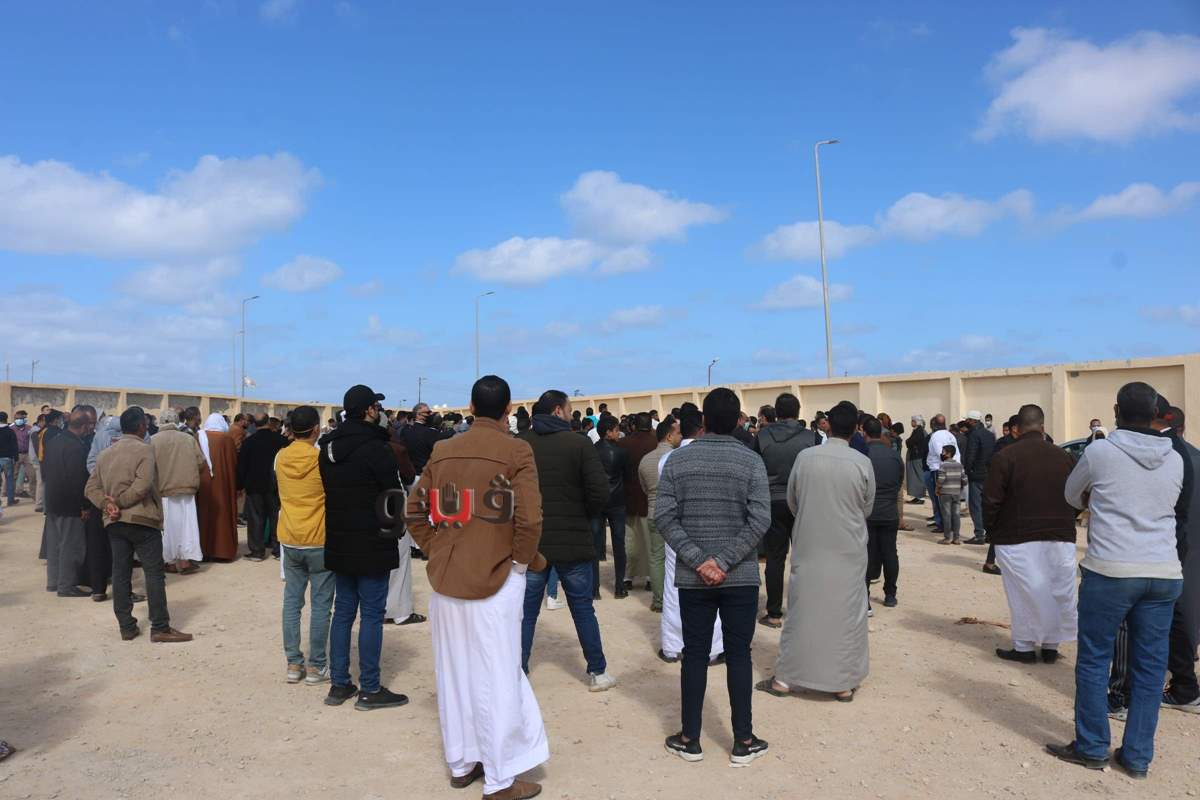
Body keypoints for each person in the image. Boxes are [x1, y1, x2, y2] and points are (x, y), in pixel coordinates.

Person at [407, 376, 549, 800]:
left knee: (454, 671)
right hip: (497, 576)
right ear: (509, 410)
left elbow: (414, 511)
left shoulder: (444, 449)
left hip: (448, 576)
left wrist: (437, 549)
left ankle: (462, 762)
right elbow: (529, 519)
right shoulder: (516, 450)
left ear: (470, 407)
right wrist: (519, 563)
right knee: (497, 675)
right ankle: (500, 779)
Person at [1048, 382, 1184, 779]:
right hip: (1163, 572)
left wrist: (1098, 500)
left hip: (1111, 569)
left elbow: (1071, 495)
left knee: (1094, 659)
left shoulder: (1100, 451)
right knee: (1150, 667)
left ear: (1116, 411)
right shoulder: (1175, 457)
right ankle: (1138, 757)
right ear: (1156, 413)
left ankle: (1092, 747)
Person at [656, 388, 770, 766]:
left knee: (694, 654)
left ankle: (690, 737)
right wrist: (724, 561)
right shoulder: (751, 461)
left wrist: (700, 561)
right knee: (739, 655)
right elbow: (760, 520)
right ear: (738, 420)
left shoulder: (677, 460)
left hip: (695, 579)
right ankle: (743, 739)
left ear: (704, 420)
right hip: (740, 576)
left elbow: (664, 518)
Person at [759, 400, 873, 703]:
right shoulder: (862, 462)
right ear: (855, 429)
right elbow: (867, 506)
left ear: (828, 425)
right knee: (846, 614)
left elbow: (793, 501)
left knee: (802, 610)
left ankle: (785, 679)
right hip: (848, 549)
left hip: (810, 545)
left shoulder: (806, 458)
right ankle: (842, 684)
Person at [319, 384, 409, 711]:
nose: (379, 412)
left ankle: (339, 683)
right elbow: (392, 495)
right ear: (369, 410)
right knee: (371, 614)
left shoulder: (327, 448)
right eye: (376, 407)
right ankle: (370, 687)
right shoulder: (376, 448)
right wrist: (396, 531)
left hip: (340, 539)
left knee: (343, 611)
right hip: (372, 540)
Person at [518, 389, 615, 690]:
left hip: (532, 541)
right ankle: (597, 671)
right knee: (583, 608)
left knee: (526, 613)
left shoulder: (521, 444)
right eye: (569, 408)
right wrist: (584, 514)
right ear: (558, 411)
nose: (572, 413)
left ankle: (517, 672)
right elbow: (600, 490)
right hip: (573, 539)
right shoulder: (579, 443)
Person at [83, 406, 192, 643]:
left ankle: (127, 627)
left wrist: (107, 505)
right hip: (142, 520)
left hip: (115, 522)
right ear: (142, 426)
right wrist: (118, 503)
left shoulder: (105, 454)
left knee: (121, 572)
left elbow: (90, 488)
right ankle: (160, 627)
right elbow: (142, 486)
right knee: (153, 574)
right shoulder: (145, 450)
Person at [983, 404, 1079, 664]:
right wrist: (1068, 519)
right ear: (1043, 427)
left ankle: (1024, 647)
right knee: (1057, 590)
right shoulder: (1064, 457)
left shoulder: (1005, 456)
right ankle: (1050, 646)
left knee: (1022, 593)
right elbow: (1078, 496)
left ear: (1017, 429)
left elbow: (991, 500)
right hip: (1060, 535)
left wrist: (992, 530)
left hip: (1016, 536)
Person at [658, 406, 725, 663]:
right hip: (709, 530)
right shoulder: (713, 457)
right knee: (712, 585)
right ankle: (712, 649)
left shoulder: (667, 459)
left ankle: (672, 647)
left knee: (673, 588)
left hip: (675, 533)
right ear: (702, 429)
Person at [275, 405, 335, 686]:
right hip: (319, 537)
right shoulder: (320, 459)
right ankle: (316, 665)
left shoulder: (280, 457)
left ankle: (293, 663)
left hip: (290, 536)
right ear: (316, 429)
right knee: (321, 605)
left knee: (292, 602)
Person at [754, 392, 816, 628]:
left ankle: (773, 613)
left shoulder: (762, 436)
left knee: (775, 558)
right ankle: (803, 611)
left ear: (777, 413)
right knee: (804, 558)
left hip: (772, 502)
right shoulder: (810, 437)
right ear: (798, 412)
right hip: (802, 502)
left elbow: (754, 468)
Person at [1163, 406, 1200, 713]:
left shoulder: (1164, 459)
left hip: (1170, 548)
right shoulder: (1197, 457)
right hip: (1194, 548)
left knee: (1178, 617)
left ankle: (1185, 687)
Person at [41, 406, 97, 597]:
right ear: (84, 426)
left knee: (55, 545)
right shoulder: (76, 447)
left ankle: (53, 582)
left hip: (52, 500)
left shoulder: (54, 441)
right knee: (70, 546)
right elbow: (77, 479)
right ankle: (66, 585)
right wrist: (84, 505)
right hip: (69, 503)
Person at [151, 409, 206, 575]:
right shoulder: (188, 438)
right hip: (186, 489)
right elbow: (201, 462)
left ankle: (170, 562)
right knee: (187, 526)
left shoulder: (152, 440)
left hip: (164, 491)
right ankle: (185, 561)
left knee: (168, 527)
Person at [639, 415, 682, 613]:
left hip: (653, 512)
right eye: (678, 433)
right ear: (669, 436)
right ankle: (675, 600)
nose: (680, 436)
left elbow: (645, 488)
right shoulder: (677, 457)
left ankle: (658, 601)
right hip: (673, 514)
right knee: (676, 559)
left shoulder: (645, 460)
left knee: (656, 558)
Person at [864, 417, 904, 608]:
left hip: (868, 512)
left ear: (864, 433)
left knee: (867, 554)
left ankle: (864, 596)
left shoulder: (862, 455)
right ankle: (890, 594)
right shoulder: (894, 456)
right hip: (889, 511)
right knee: (890, 553)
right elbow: (899, 482)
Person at [237, 414, 288, 561]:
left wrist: (240, 485)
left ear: (254, 424)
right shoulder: (280, 440)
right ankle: (278, 550)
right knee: (276, 517)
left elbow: (242, 466)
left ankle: (257, 551)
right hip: (275, 485)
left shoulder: (249, 442)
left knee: (255, 518)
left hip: (254, 486)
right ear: (268, 422)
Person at [618, 412, 658, 595]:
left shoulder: (623, 443)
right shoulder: (655, 443)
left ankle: (628, 577)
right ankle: (650, 578)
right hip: (649, 500)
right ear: (650, 425)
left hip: (628, 499)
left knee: (630, 541)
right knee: (650, 541)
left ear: (633, 425)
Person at [594, 416, 630, 597]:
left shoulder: (592, 451)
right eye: (616, 430)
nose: (619, 433)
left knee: (594, 544)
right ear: (608, 432)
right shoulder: (621, 452)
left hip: (597, 501)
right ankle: (619, 587)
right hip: (617, 501)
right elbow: (627, 476)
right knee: (619, 545)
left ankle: (594, 589)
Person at [197, 413, 239, 561]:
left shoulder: (199, 436)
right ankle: (222, 552)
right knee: (222, 516)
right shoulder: (226, 439)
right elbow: (233, 463)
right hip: (223, 484)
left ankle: (203, 551)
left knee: (203, 516)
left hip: (203, 484)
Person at [962, 410, 995, 546]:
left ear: (972, 421)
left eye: (967, 420)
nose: (966, 422)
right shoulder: (989, 434)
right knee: (986, 505)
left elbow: (971, 455)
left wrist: (968, 470)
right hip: (988, 473)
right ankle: (989, 533)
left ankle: (979, 534)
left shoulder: (974, 434)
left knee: (975, 506)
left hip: (976, 474)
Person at [400, 402, 453, 475]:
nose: (431, 414)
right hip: (425, 474)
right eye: (428, 412)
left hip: (412, 474)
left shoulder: (406, 431)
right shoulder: (429, 432)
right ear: (418, 415)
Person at [924, 415, 956, 533]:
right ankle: (950, 525)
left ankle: (943, 525)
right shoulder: (950, 435)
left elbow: (941, 454)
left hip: (939, 470)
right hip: (952, 468)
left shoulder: (936, 436)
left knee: (940, 500)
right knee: (949, 501)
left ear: (934, 425)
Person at [935, 444, 967, 544]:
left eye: (943, 452)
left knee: (947, 516)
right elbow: (965, 480)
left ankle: (947, 538)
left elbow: (941, 480)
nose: (942, 454)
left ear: (948, 454)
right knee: (956, 515)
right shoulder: (959, 465)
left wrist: (937, 489)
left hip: (945, 494)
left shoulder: (943, 465)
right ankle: (956, 538)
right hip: (956, 493)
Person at [905, 416, 928, 504]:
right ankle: (917, 496)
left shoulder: (919, 431)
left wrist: (907, 441)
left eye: (913, 421)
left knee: (918, 476)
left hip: (917, 457)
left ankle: (920, 497)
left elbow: (911, 442)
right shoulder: (917, 430)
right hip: (915, 457)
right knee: (914, 477)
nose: (911, 422)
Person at [0, 412, 17, 506]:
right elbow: (14, 445)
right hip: (7, 458)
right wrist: (16, 457)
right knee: (10, 480)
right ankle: (10, 500)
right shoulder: (10, 431)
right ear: (6, 419)